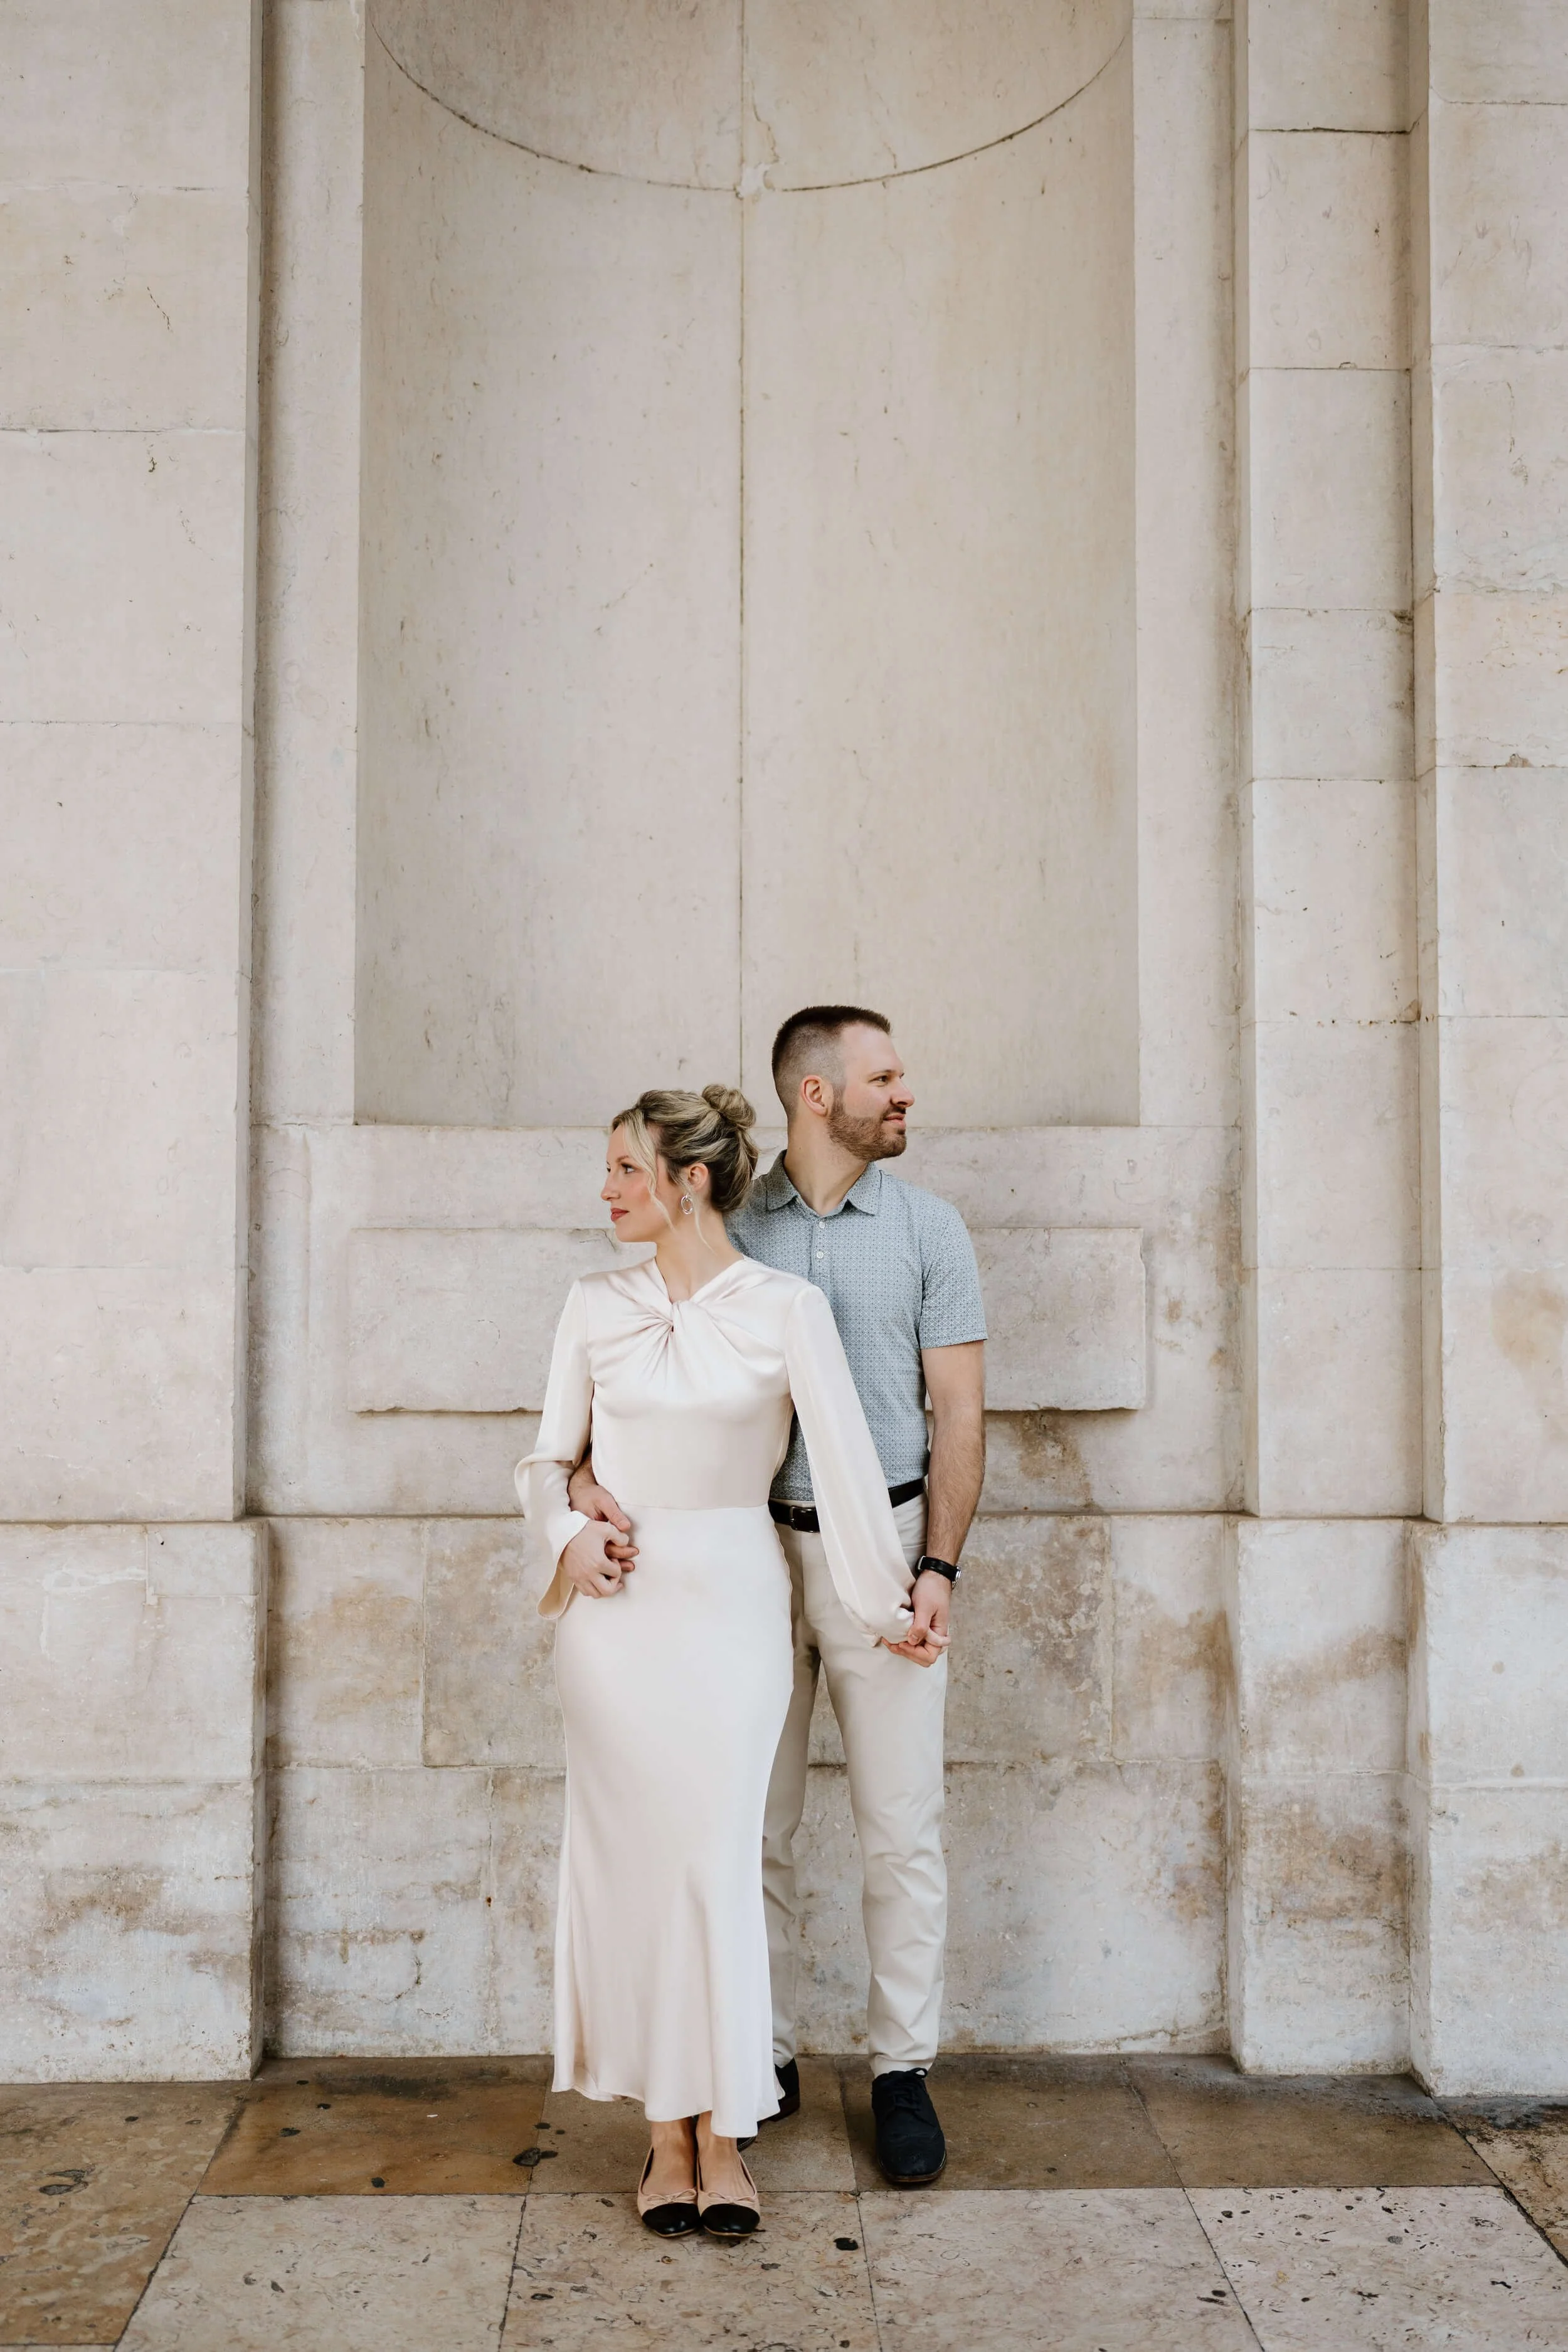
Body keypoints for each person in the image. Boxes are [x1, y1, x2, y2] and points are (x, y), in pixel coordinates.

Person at [571, 1010, 986, 2186]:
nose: (905, 1093)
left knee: (900, 1825)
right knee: (748, 1825)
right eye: (883, 1076)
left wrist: (937, 1567)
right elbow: (629, 1384)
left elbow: (959, 1414)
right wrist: (590, 1482)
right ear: (816, 1092)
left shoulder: (929, 1230)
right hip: (741, 1557)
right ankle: (764, 2049)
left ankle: (901, 2069)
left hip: (885, 1547)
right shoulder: (721, 1222)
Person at [515, 1084, 930, 2242]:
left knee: (720, 1865)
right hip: (617, 1624)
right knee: (641, 1870)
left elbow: (847, 1472)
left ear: (687, 1180)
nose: (605, 1191)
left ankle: (725, 2141)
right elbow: (545, 1463)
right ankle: (664, 2136)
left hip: (738, 1609)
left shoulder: (787, 1306)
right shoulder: (591, 1304)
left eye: (622, 1169)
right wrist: (573, 1531)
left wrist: (894, 1608)